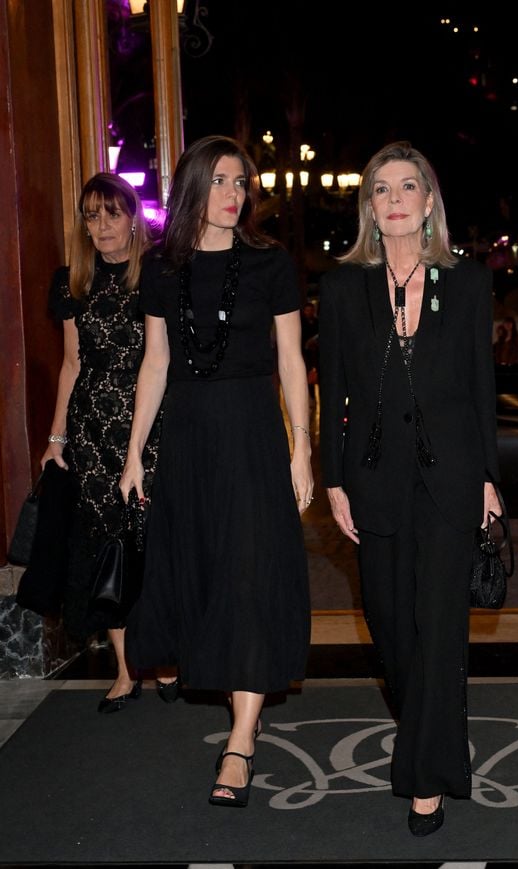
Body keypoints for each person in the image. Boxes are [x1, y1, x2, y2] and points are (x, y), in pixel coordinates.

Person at [119, 135, 312, 808]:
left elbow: (291, 360)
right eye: (223, 180)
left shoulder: (270, 263)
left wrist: (302, 449)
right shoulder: (161, 269)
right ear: (194, 187)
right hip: (192, 441)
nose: (235, 194)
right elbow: (155, 362)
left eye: (243, 183)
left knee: (251, 574)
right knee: (211, 575)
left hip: (254, 435)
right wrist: (133, 453)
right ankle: (242, 710)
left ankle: (242, 737)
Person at [317, 141, 501, 836]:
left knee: (437, 630)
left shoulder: (471, 284)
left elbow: (481, 391)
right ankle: (433, 742)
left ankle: (425, 778)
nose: (393, 199)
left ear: (428, 203)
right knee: (393, 631)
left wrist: (490, 478)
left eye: (406, 187)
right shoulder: (341, 288)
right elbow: (330, 388)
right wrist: (332, 478)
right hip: (372, 479)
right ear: (370, 207)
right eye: (381, 189)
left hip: (451, 480)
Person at [43, 172, 161, 713]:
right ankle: (123, 669)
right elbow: (71, 364)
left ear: (133, 216)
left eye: (112, 213)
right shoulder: (72, 282)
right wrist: (55, 437)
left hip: (151, 428)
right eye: (92, 215)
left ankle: (162, 655)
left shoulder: (158, 274)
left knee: (154, 543)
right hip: (91, 431)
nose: (102, 225)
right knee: (107, 546)